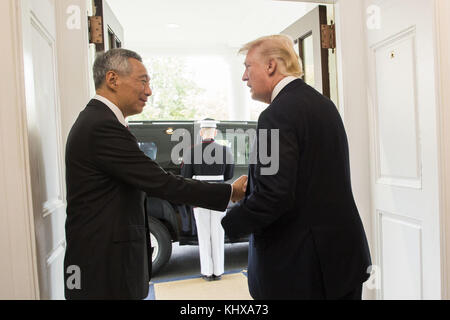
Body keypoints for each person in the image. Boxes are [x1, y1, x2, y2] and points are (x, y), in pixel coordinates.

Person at [64, 48, 247, 300]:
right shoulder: (101, 126)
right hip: (104, 266)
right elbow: (160, 181)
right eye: (143, 81)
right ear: (112, 79)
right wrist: (230, 192)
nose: (149, 91)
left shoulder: (100, 120)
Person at [221, 35, 372, 300]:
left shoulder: (275, 115)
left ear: (270, 66)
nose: (244, 77)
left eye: (248, 66)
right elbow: (310, 179)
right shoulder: (323, 104)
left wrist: (230, 221)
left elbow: (273, 196)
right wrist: (256, 184)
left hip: (301, 271)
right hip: (341, 262)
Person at [180, 119, 235, 281]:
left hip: (200, 194)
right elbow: (229, 175)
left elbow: (185, 176)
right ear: (215, 132)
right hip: (219, 194)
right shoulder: (226, 151)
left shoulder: (191, 152)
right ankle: (218, 272)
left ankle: (207, 273)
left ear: (201, 132)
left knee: (203, 235)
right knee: (218, 233)